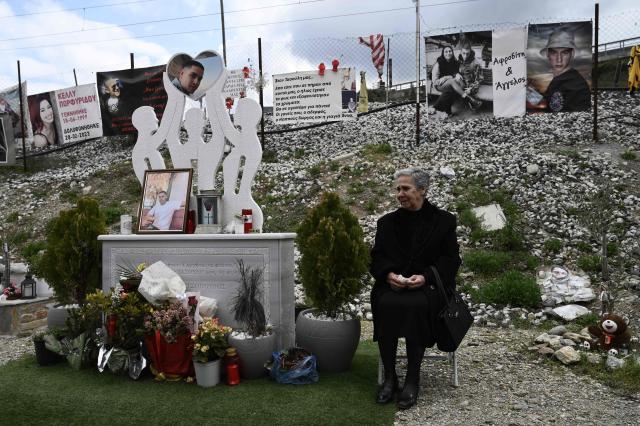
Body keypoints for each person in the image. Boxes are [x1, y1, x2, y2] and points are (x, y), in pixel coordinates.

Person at [370, 167, 461, 410]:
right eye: (398, 189)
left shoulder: (444, 221)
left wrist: (426, 276)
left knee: (416, 306)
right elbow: (377, 258)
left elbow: (451, 260)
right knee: (385, 303)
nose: (400, 194)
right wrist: (388, 275)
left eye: (406, 189)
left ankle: (412, 379)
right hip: (393, 286)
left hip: (428, 288)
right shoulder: (386, 223)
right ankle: (390, 377)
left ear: (422, 190)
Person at [540, 27, 591, 112]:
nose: (559, 59)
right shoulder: (559, 79)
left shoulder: (577, 86)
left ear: (572, 54)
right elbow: (548, 102)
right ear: (547, 54)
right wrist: (529, 93)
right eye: (554, 52)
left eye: (564, 53)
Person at [429, 44, 482, 119]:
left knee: (454, 88)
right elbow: (435, 82)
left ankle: (442, 109)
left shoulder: (455, 62)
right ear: (443, 53)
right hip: (439, 85)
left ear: (452, 52)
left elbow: (455, 72)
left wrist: (455, 74)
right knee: (452, 82)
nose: (448, 53)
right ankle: (468, 99)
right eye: (446, 52)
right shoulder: (438, 64)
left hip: (451, 84)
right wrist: (447, 77)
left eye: (450, 51)